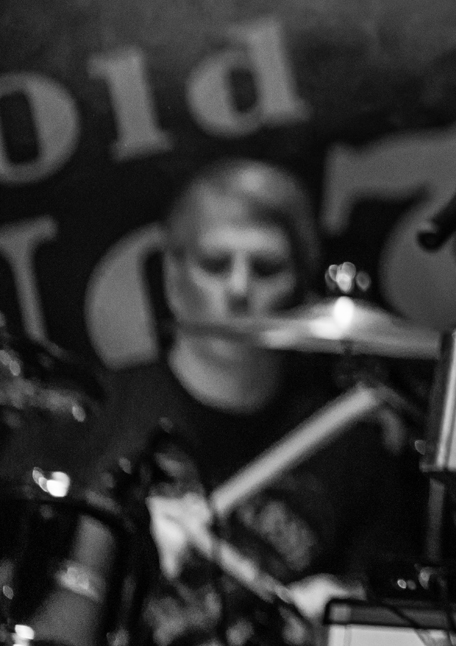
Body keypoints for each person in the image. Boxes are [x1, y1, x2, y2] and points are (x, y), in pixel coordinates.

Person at [3, 159, 415, 644]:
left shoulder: (351, 445)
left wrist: (347, 615)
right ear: (173, 278)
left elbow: (394, 616)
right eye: (216, 265)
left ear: (301, 286)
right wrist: (116, 549)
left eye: (266, 268)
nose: (239, 290)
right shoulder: (85, 418)